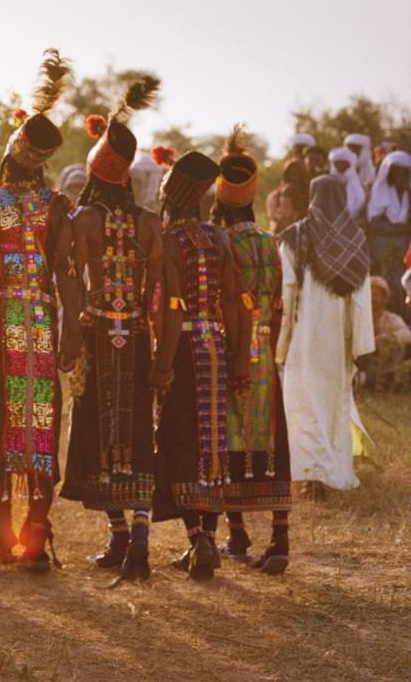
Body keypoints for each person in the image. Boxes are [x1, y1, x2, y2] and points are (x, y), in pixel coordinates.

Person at [0, 50, 82, 573]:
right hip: (37, 321)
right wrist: (71, 331)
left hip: (1, 319)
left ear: (11, 153)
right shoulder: (57, 206)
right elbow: (67, 276)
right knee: (38, 422)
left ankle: (7, 528)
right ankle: (31, 525)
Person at [62, 79, 164, 585]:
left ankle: (121, 533)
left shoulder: (82, 220)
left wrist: (72, 333)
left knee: (102, 434)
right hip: (139, 336)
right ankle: (133, 537)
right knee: (138, 433)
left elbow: (70, 279)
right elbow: (158, 293)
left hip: (99, 334)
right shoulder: (149, 224)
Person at [151, 150, 250, 580]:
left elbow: (172, 308)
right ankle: (205, 538)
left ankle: (198, 539)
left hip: (187, 346)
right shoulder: (219, 239)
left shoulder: (170, 242)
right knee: (212, 443)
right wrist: (239, 358)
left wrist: (162, 364)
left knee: (178, 440)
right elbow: (233, 302)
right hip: (216, 346)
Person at [213, 132, 295, 575]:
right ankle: (280, 537)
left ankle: (238, 532)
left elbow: (227, 302)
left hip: (234, 350)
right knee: (271, 436)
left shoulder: (224, 243)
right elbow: (278, 306)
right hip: (266, 346)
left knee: (230, 436)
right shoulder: (271, 243)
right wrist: (269, 342)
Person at [278, 174, 375, 491]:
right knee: (332, 402)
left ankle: (311, 475)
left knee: (304, 399)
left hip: (305, 334)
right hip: (339, 336)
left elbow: (287, 291)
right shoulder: (356, 238)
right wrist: (360, 345)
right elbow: (361, 299)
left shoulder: (295, 237)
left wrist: (281, 344)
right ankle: (332, 470)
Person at [367, 151, 410, 316]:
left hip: (406, 246)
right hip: (384, 246)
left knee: (405, 283)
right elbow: (376, 225)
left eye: (403, 171)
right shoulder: (380, 192)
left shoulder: (408, 192)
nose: (400, 174)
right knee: (387, 283)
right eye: (396, 170)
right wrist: (402, 229)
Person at [362, 276, 410, 389]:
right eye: (368, 294)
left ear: (385, 298)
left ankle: (385, 381)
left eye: (375, 295)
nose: (371, 298)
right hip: (362, 367)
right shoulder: (359, 319)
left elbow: (408, 336)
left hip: (384, 368)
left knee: (396, 344)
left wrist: (385, 338)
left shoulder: (392, 319)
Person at [328, 148, 367, 221]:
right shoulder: (329, 180)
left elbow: (360, 200)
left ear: (349, 165)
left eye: (344, 163)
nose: (341, 166)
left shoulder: (354, 180)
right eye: (338, 163)